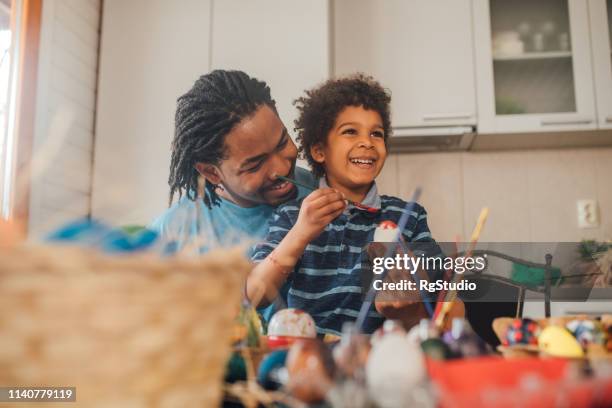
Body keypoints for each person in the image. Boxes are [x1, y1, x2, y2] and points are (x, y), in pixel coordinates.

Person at [247, 74, 447, 335]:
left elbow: (441, 289)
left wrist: (412, 278)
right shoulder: (293, 215)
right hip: (305, 356)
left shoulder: (407, 215)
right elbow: (254, 295)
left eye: (377, 134)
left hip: (378, 355)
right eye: (350, 131)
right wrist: (300, 233)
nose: (367, 142)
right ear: (319, 151)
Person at [151, 70, 315, 251]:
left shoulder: (324, 187)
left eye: (282, 143)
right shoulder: (171, 235)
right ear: (211, 172)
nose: (282, 169)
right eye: (255, 165)